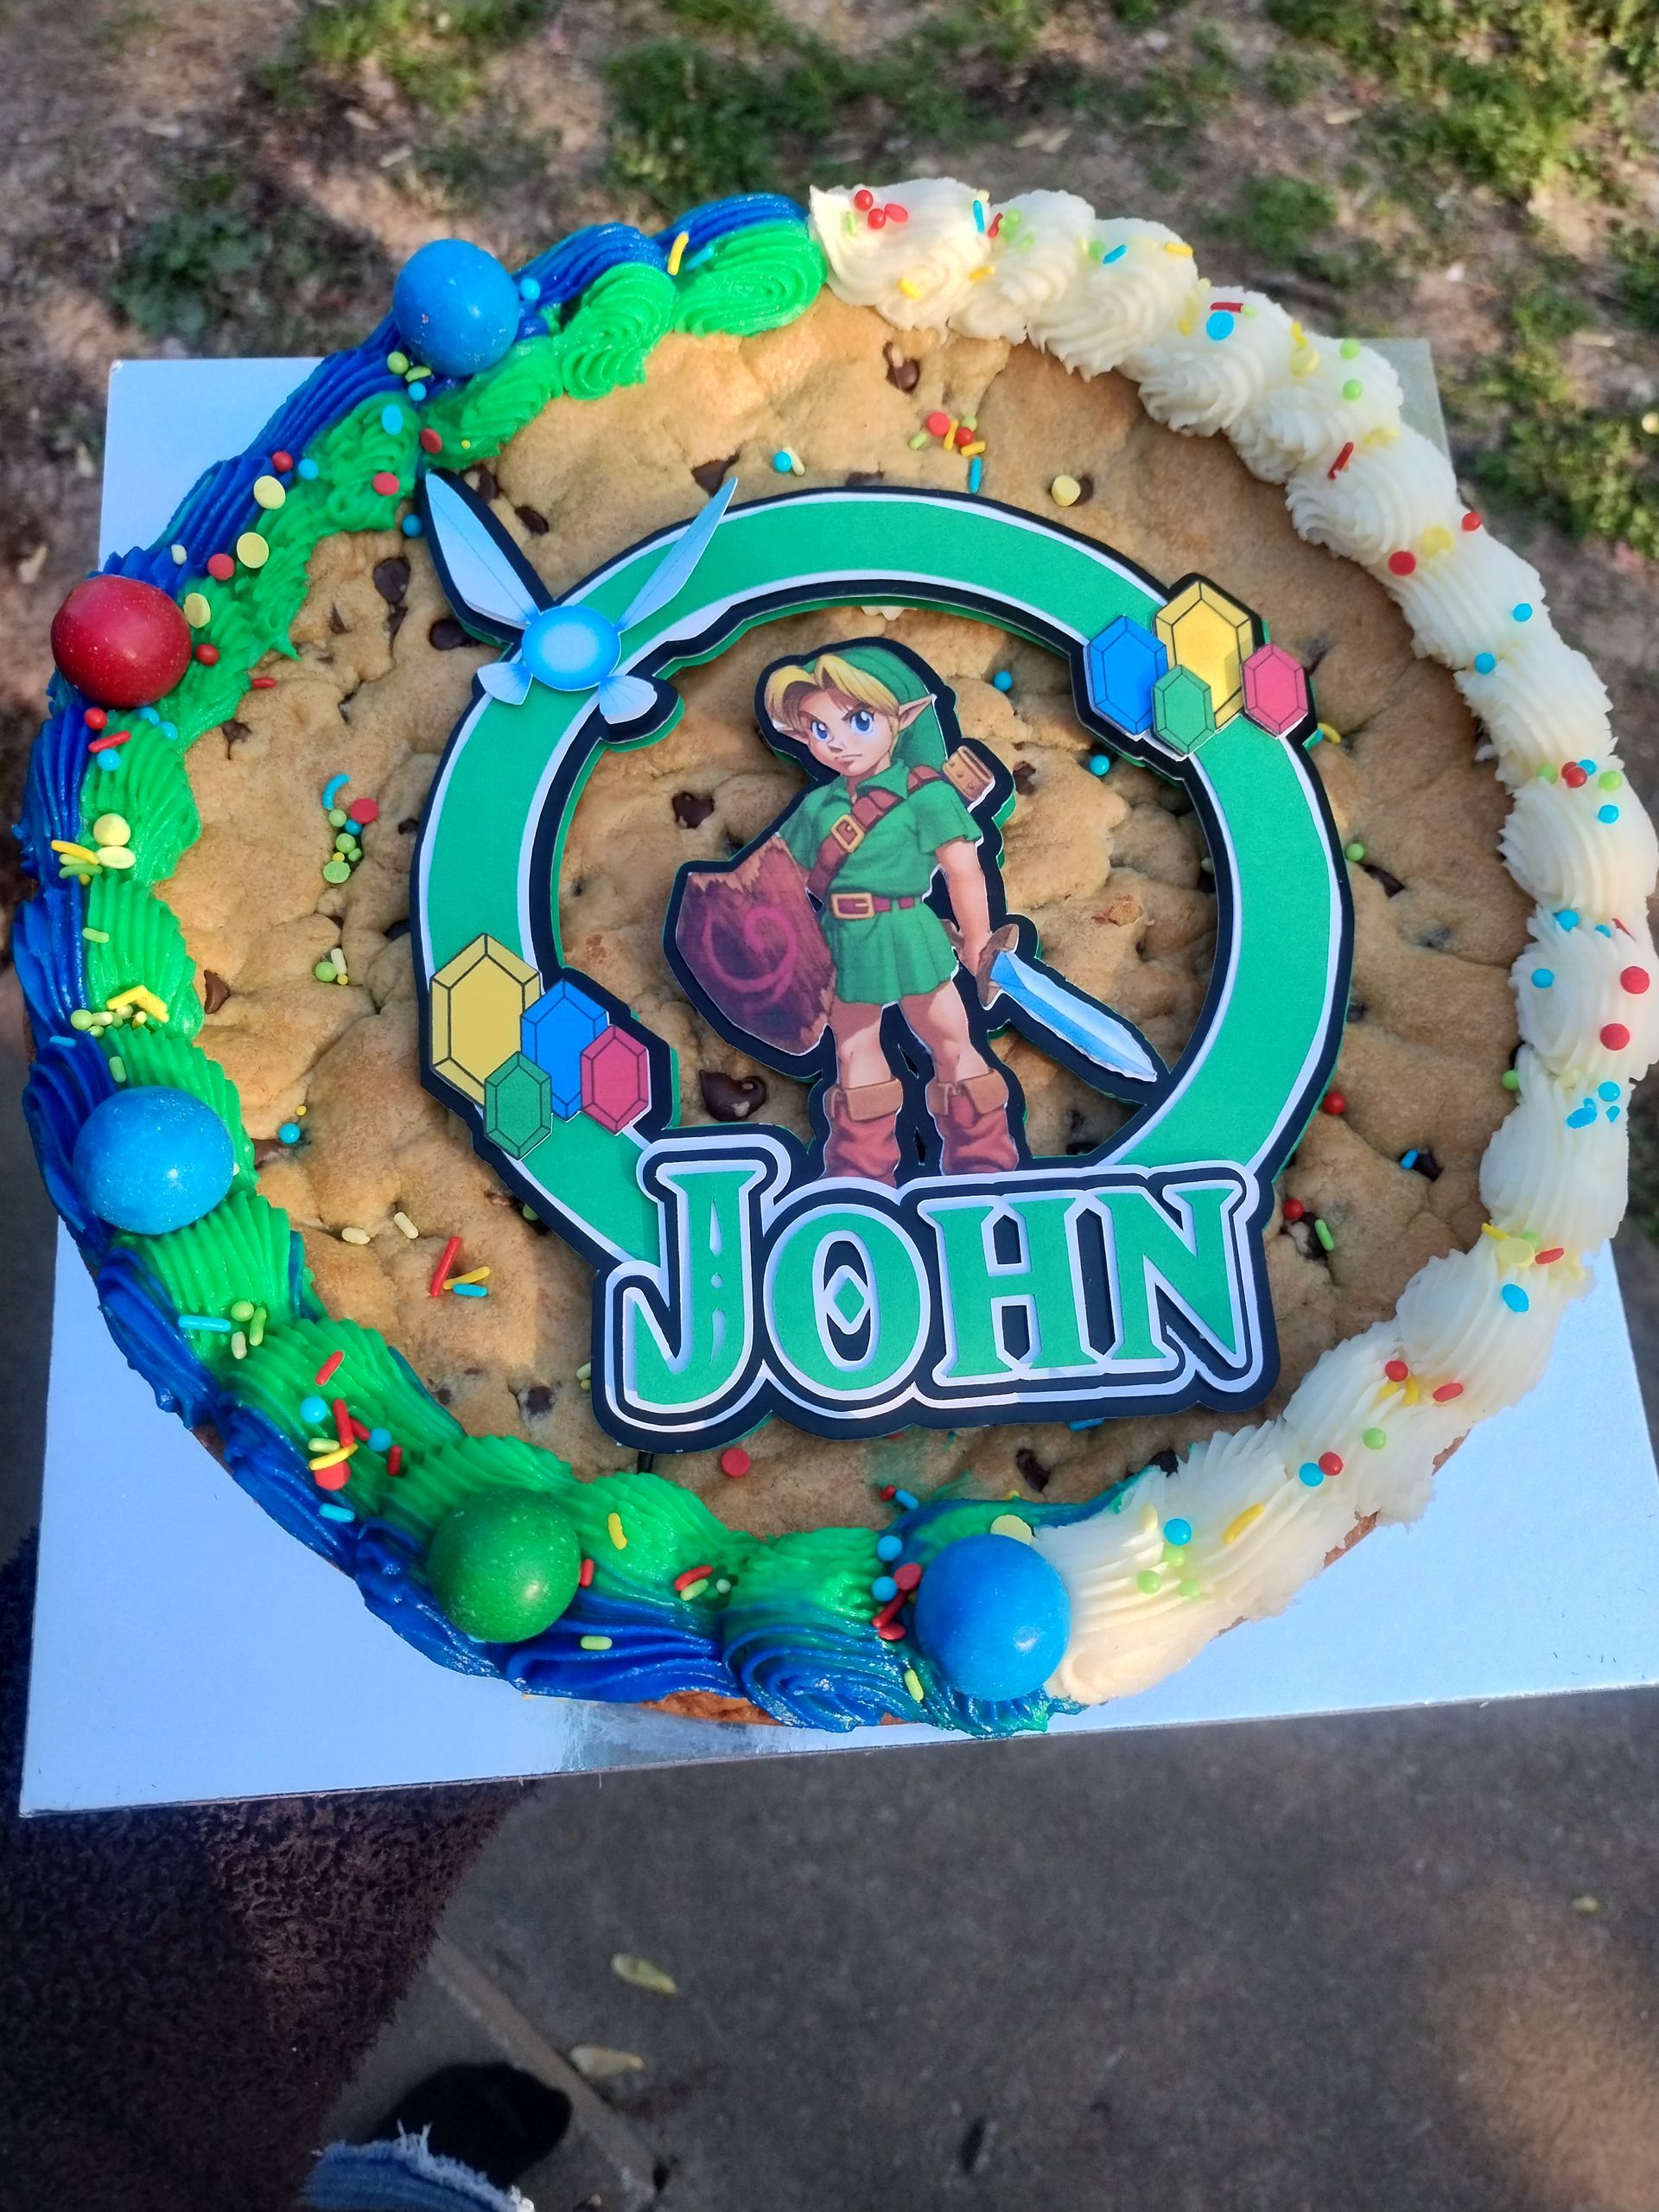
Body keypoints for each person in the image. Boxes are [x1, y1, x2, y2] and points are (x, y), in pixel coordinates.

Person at [761, 643, 1020, 1183]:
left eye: (858, 720)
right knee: (854, 1050)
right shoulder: (818, 807)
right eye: (818, 729)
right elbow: (778, 879)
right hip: (841, 938)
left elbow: (964, 872)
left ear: (901, 718)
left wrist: (977, 939)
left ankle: (984, 1162)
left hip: (907, 929)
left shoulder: (926, 795)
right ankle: (862, 1174)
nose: (838, 743)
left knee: (949, 1035)